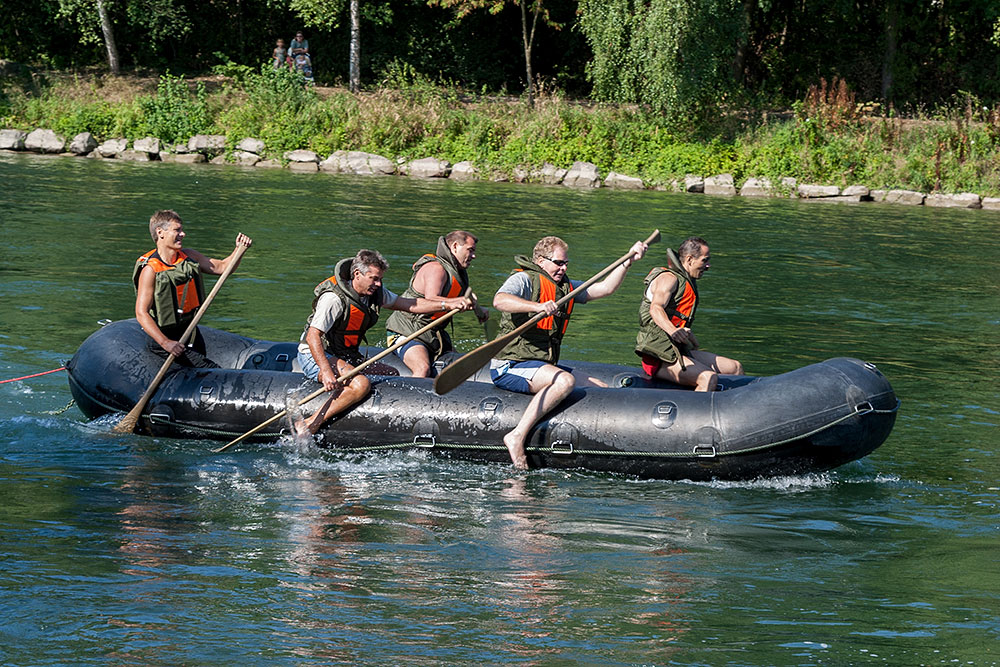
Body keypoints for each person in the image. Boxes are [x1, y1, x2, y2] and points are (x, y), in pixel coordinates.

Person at [491, 235, 648, 469]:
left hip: (539, 364)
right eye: (558, 263)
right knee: (565, 381)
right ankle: (516, 436)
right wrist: (537, 307)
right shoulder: (523, 279)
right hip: (511, 364)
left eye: (566, 263)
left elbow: (605, 289)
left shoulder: (566, 287)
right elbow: (499, 300)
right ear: (541, 261)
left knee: (601, 389)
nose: (563, 268)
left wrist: (628, 261)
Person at [294, 249, 472, 437]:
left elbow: (410, 305)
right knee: (361, 384)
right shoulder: (333, 299)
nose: (378, 284)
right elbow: (313, 336)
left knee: (390, 373)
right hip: (314, 355)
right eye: (374, 278)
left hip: (342, 355)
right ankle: (310, 422)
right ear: (357, 274)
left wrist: (447, 305)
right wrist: (327, 371)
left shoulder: (373, 293)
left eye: (380, 279)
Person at [133, 210, 252, 368]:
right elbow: (142, 313)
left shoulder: (189, 257)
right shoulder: (150, 270)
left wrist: (239, 250)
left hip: (189, 333)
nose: (183, 234)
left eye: (181, 230)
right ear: (160, 232)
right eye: (177, 230)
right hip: (165, 338)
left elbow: (223, 268)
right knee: (211, 370)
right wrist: (166, 343)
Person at [635, 236, 743, 391]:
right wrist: (674, 331)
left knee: (735, 367)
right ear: (690, 259)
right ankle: (698, 413)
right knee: (708, 377)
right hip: (657, 356)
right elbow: (656, 308)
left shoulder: (686, 282)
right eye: (704, 260)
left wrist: (687, 335)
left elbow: (676, 316)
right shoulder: (669, 278)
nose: (708, 265)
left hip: (677, 350)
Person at [384, 231, 490, 377]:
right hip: (407, 331)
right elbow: (431, 298)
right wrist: (455, 302)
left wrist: (478, 309)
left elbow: (460, 298)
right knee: (423, 369)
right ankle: (416, 399)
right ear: (454, 247)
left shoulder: (458, 273)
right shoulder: (436, 268)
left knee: (461, 369)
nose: (473, 256)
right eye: (470, 250)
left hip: (433, 334)